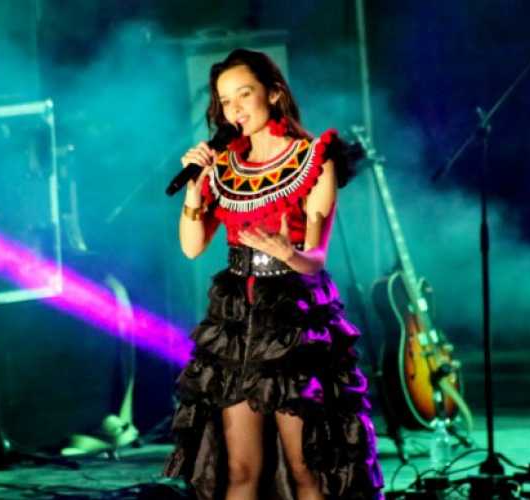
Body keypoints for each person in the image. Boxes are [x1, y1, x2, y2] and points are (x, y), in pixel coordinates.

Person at [162, 48, 384, 499]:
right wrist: (195, 190)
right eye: (225, 101)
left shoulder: (314, 158)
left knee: (305, 468)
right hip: (235, 321)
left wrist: (287, 253)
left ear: (275, 94)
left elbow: (316, 258)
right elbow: (191, 247)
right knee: (241, 468)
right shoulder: (223, 165)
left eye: (244, 94)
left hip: (292, 319)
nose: (235, 109)